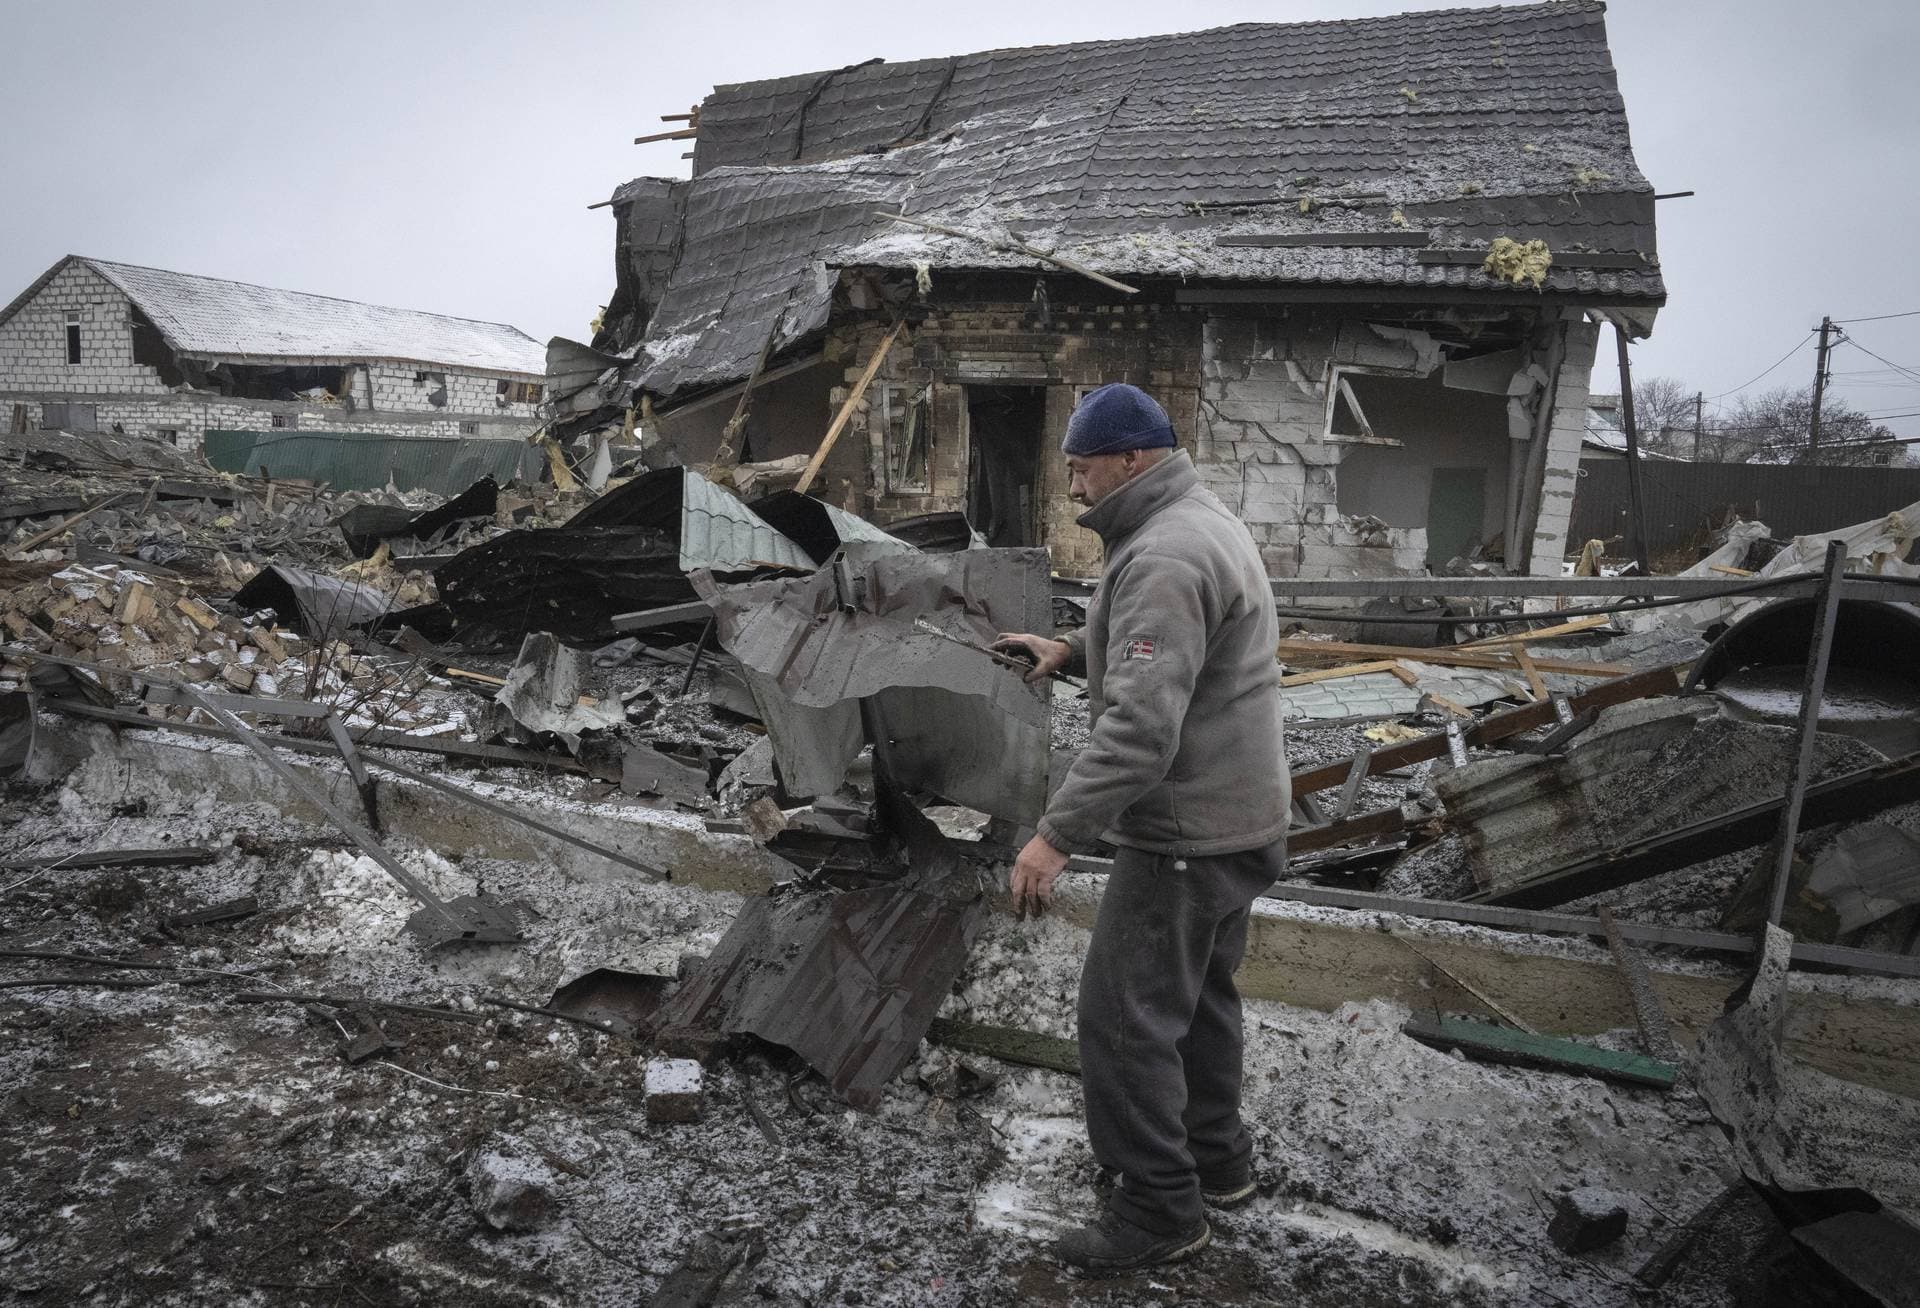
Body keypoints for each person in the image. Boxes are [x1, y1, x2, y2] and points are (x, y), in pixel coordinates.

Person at [993, 382, 1289, 1277]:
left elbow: (1139, 732)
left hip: (1185, 833)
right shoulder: (1197, 520)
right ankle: (1216, 1163)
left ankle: (1161, 1209)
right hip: (1239, 818)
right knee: (1196, 1001)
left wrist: (1055, 835)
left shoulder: (1163, 552)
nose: (1074, 486)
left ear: (1127, 459)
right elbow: (1171, 642)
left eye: (1080, 467)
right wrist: (1071, 648)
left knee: (1121, 1019)